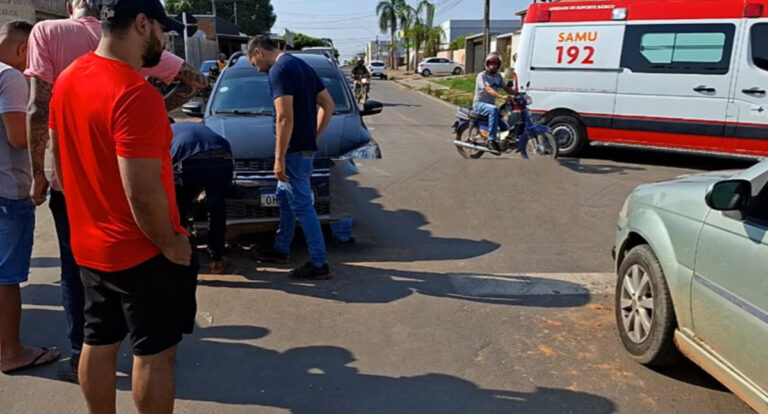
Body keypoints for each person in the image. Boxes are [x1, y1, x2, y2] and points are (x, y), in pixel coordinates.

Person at [24, 0, 207, 383]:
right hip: (142, 248)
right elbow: (142, 192)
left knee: (97, 342)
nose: (165, 39)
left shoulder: (69, 78)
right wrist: (172, 244)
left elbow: (57, 154)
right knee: (155, 356)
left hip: (90, 245)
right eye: (162, 30)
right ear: (142, 24)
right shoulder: (133, 92)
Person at [247, 35, 335, 280]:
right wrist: (313, 136)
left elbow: (284, 116)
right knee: (284, 197)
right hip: (303, 148)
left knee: (303, 206)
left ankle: (319, 264)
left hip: (293, 151)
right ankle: (281, 249)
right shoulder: (302, 66)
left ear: (258, 52)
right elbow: (328, 105)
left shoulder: (279, 70)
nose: (256, 67)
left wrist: (279, 158)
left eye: (253, 62)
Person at [0, 20, 61, 375]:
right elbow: (18, 138)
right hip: (7, 190)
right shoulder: (9, 77)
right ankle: (11, 352)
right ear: (25, 50)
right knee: (6, 278)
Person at [171, 122, 233, 275]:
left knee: (180, 209)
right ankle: (216, 259)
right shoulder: (196, 127)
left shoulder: (166, 133)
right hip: (222, 155)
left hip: (189, 160)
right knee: (217, 208)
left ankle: (181, 256)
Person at [472, 52, 514, 150]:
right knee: (494, 109)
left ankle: (502, 143)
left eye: (495, 64)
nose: (493, 66)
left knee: (506, 127)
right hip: (479, 104)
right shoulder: (481, 76)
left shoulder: (498, 76)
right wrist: (501, 96)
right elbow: (488, 89)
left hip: (490, 106)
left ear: (498, 65)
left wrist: (518, 94)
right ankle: (491, 139)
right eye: (491, 63)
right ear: (486, 64)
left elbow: (506, 88)